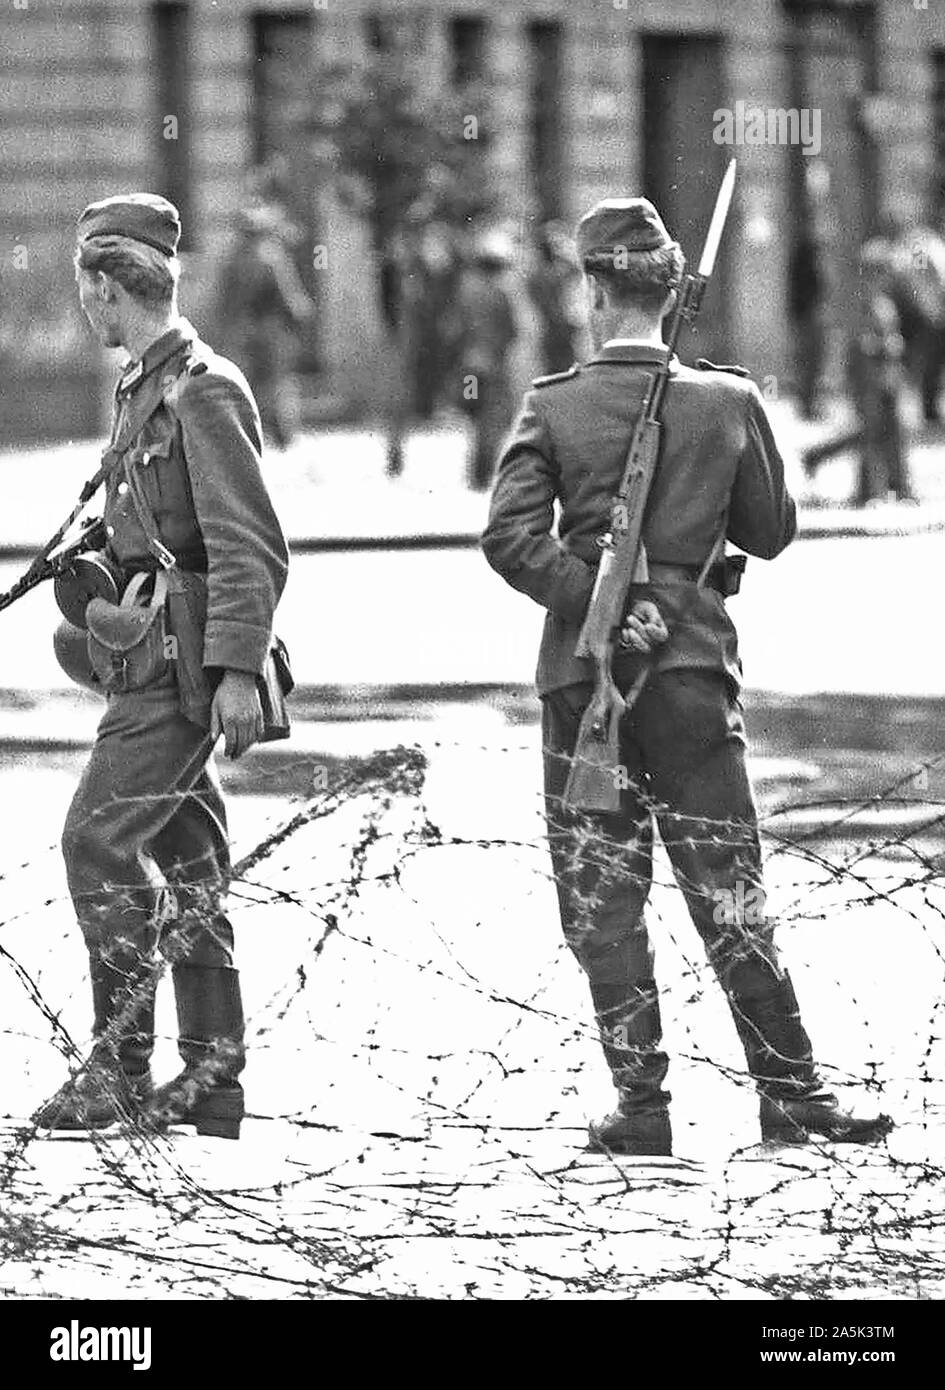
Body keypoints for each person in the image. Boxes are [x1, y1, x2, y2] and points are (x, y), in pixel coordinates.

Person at [482, 196, 892, 1156]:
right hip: (694, 675)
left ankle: (641, 1107)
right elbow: (770, 532)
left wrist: (597, 599)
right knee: (728, 880)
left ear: (591, 289)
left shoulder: (554, 403)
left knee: (602, 890)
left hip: (583, 683)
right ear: (669, 292)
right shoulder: (725, 399)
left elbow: (506, 537)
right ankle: (791, 1093)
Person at [34, 193, 289, 1141]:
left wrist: (233, 674)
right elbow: (159, 531)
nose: (86, 309)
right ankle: (213, 1079)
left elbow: (251, 547)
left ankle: (120, 1069)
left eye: (87, 290)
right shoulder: (147, 384)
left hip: (179, 674)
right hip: (151, 658)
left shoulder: (202, 388)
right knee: (190, 864)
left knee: (97, 842)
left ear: (108, 288)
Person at [210, 200, 314, 450]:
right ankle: (281, 433)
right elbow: (293, 300)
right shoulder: (272, 257)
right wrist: (302, 318)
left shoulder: (231, 259)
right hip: (270, 330)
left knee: (248, 385)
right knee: (276, 384)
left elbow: (221, 302)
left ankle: (253, 434)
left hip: (241, 332)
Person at [847, 239, 913, 505]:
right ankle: (869, 492)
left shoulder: (885, 304)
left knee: (895, 434)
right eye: (883, 271)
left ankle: (899, 488)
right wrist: (885, 345)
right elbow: (860, 342)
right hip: (870, 380)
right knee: (871, 435)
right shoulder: (863, 303)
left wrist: (893, 343)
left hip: (888, 378)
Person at [457, 233, 518, 491]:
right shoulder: (501, 293)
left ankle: (474, 472)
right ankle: (483, 474)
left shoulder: (466, 292)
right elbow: (512, 329)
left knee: (474, 418)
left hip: (469, 367)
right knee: (491, 419)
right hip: (491, 366)